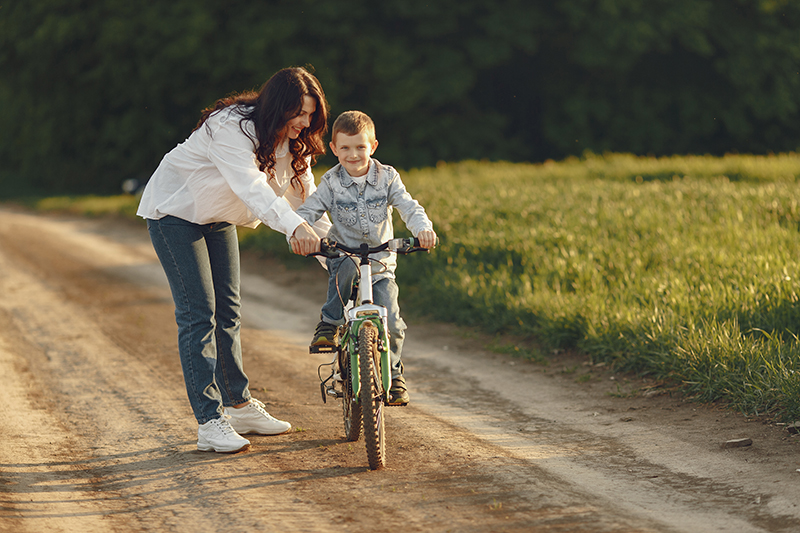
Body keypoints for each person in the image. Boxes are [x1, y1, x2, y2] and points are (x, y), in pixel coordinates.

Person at [136, 67, 330, 453]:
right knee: (199, 313)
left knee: (229, 310)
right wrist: (294, 230)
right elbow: (255, 190)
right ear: (278, 107)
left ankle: (239, 406)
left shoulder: (292, 140)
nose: (305, 123)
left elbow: (307, 201)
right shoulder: (230, 128)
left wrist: (335, 252)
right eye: (299, 114)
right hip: (175, 211)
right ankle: (209, 422)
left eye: (311, 115)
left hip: (216, 216)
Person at [294, 110, 437, 406]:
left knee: (394, 322)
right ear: (334, 149)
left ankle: (395, 376)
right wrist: (300, 234)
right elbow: (308, 212)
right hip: (344, 254)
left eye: (360, 147)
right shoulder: (331, 182)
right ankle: (330, 324)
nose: (353, 154)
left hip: (380, 262)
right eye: (345, 147)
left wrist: (423, 229)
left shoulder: (387, 177)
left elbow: (408, 206)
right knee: (344, 267)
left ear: (373, 146)